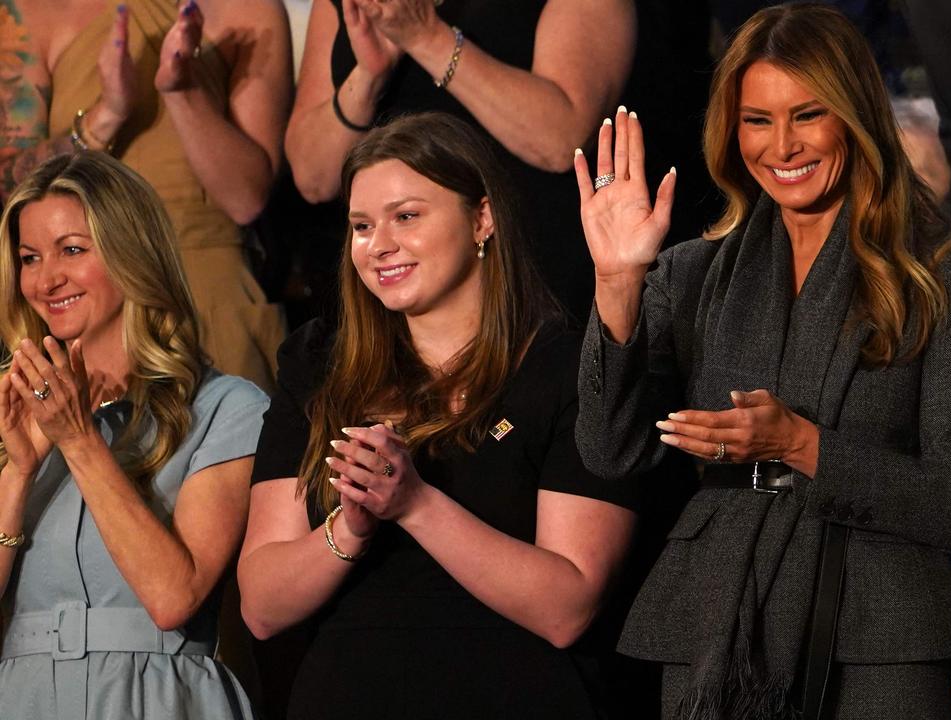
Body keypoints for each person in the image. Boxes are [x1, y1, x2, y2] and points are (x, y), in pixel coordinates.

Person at [573, 5, 951, 718]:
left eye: (808, 115)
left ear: (855, 115)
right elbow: (610, 450)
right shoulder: (692, 273)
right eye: (758, 120)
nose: (782, 145)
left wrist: (802, 446)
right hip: (719, 627)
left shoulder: (941, 269)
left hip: (881, 637)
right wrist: (616, 283)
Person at [238, 112, 641, 719]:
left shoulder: (564, 366)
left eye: (407, 216)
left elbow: (568, 608)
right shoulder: (319, 363)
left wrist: (416, 505)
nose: (380, 245)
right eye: (362, 226)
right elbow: (262, 607)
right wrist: (349, 529)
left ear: (482, 218)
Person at [0, 152, 267, 719]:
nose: (46, 280)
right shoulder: (14, 417)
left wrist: (78, 441)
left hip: (158, 698)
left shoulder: (227, 408)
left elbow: (174, 598)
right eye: (29, 258)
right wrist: (18, 473)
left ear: (131, 251)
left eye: (73, 249)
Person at [0, 0, 290, 391]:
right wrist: (106, 116)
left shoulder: (243, 10)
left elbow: (245, 198)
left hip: (209, 294)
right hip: (83, 298)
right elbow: (14, 191)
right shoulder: (31, 13)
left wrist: (181, 92)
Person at [284, 0, 634, 320]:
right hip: (392, 295)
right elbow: (313, 178)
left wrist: (426, 38)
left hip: (530, 279)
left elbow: (561, 138)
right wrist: (369, 75)